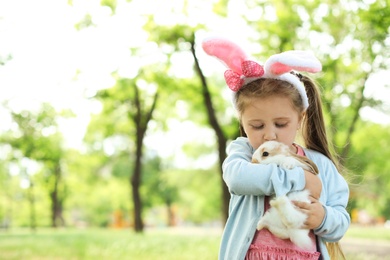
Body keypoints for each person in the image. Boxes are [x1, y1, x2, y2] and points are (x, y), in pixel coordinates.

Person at [202, 37, 350, 260]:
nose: (269, 134)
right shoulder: (243, 154)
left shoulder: (319, 164)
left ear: (299, 119)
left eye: (281, 124)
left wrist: (323, 218)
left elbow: (340, 221)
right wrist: (300, 179)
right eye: (257, 125)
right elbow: (238, 178)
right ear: (242, 122)